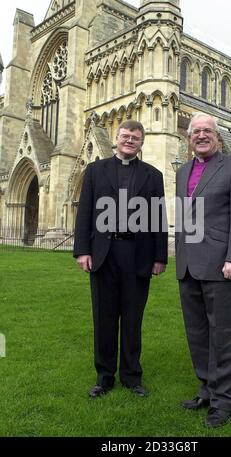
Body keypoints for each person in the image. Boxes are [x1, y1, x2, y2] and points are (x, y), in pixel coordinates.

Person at [74, 120, 168, 398]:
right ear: (116, 138)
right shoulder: (94, 171)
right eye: (125, 136)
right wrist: (82, 250)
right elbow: (85, 214)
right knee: (103, 318)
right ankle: (104, 377)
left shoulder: (153, 175)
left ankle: (131, 376)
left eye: (135, 138)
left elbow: (158, 220)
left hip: (137, 255)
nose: (129, 141)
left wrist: (160, 256)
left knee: (132, 319)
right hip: (104, 253)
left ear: (141, 143)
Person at [175, 112, 231, 427]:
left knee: (222, 333)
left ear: (217, 136)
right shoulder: (182, 172)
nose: (202, 135)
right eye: (197, 131)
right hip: (188, 265)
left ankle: (224, 401)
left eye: (208, 130)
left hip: (221, 264)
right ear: (189, 137)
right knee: (197, 332)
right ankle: (207, 389)